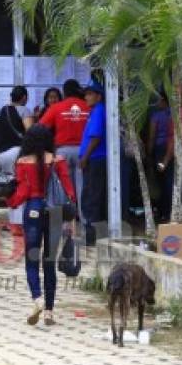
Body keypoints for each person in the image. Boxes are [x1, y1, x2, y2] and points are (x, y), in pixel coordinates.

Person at [6, 125, 77, 326]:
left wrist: (8, 200)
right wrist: (71, 220)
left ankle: (37, 299)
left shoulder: (22, 162)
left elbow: (21, 194)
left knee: (31, 260)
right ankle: (49, 312)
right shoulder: (58, 161)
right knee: (49, 263)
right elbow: (69, 192)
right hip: (55, 212)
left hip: (34, 210)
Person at [39, 79, 90, 219]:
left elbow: (40, 128)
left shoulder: (56, 107)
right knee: (82, 187)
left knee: (62, 187)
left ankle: (65, 219)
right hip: (83, 152)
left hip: (62, 152)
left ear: (64, 92)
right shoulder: (87, 107)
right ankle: (83, 220)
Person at [0, 86, 33, 237]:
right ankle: (20, 225)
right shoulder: (25, 110)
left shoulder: (3, 110)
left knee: (9, 188)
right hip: (18, 153)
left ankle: (13, 223)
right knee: (21, 186)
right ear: (24, 97)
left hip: (3, 153)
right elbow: (30, 132)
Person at [79, 81, 107, 246]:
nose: (86, 97)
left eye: (90, 94)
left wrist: (85, 157)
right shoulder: (94, 111)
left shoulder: (98, 111)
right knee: (90, 196)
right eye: (86, 94)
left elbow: (96, 137)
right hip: (93, 159)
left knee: (92, 198)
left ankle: (92, 237)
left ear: (99, 96)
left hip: (95, 159)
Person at [146, 94, 174, 222]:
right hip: (172, 149)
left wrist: (149, 153)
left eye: (158, 100)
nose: (156, 103)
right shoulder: (173, 114)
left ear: (164, 101)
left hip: (160, 150)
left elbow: (152, 136)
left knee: (161, 182)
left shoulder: (156, 116)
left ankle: (163, 211)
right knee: (170, 181)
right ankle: (169, 211)